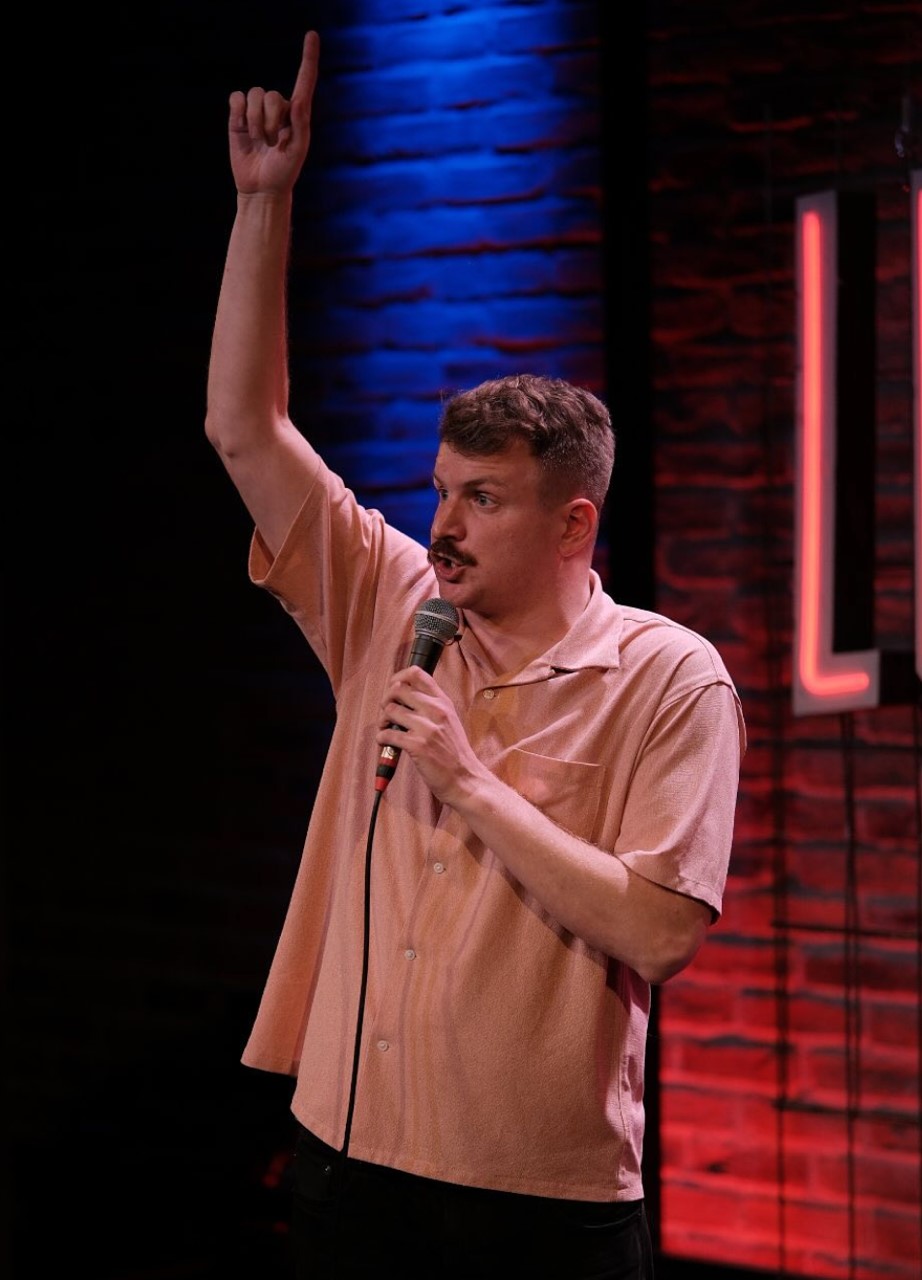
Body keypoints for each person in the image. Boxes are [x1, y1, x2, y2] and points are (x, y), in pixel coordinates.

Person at [205, 28, 746, 1280]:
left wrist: (471, 782)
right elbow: (244, 427)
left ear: (572, 524)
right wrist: (264, 205)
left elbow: (660, 933)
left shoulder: (671, 678)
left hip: (532, 1204)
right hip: (344, 1160)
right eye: (442, 489)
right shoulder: (394, 600)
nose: (442, 523)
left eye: (483, 499)